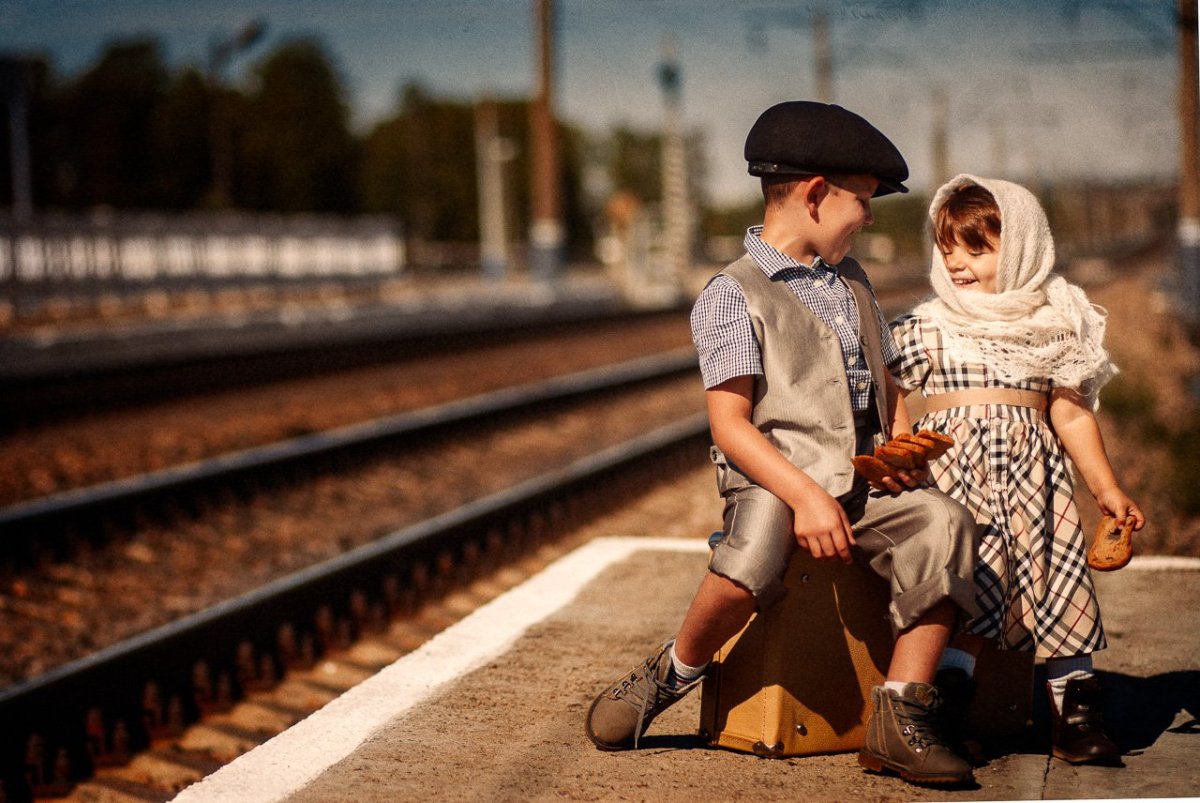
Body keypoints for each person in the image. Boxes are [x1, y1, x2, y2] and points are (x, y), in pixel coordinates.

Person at [584, 101, 982, 788]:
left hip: (856, 483)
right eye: (864, 200)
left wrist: (899, 449)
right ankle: (675, 669)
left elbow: (888, 389)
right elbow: (731, 425)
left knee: (945, 523)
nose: (869, 215)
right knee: (758, 540)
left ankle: (900, 712)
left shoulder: (855, 282)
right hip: (773, 479)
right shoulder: (732, 294)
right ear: (817, 194)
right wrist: (803, 494)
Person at [889, 174, 1146, 766]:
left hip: (1040, 482)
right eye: (948, 247)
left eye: (976, 249)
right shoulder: (930, 323)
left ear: (1024, 245)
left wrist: (1106, 489)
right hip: (958, 478)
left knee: (1061, 583)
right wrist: (904, 448)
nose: (957, 263)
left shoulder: (1054, 322)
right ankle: (948, 709)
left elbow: (1072, 414)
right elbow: (894, 389)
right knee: (969, 589)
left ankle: (1074, 717)